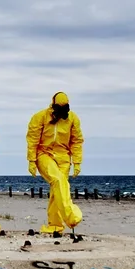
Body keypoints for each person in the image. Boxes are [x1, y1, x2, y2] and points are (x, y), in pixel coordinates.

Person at [26, 91, 84, 234]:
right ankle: (71, 216)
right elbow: (32, 139)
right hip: (44, 154)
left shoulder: (72, 119)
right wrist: (32, 161)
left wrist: (77, 162)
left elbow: (76, 141)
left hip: (63, 157)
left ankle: (55, 225)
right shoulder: (40, 117)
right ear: (53, 105)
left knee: (57, 190)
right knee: (58, 181)